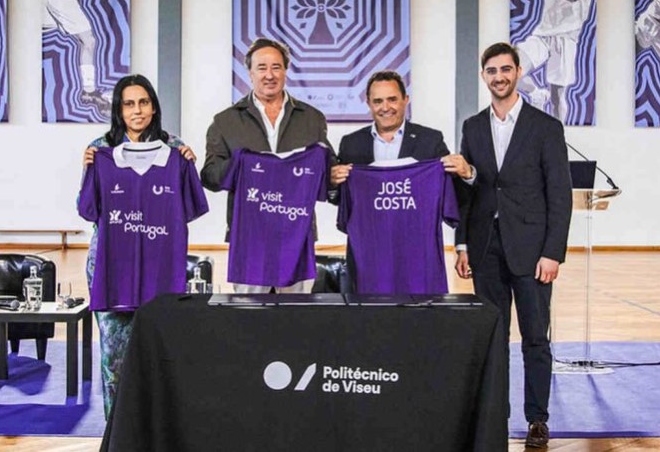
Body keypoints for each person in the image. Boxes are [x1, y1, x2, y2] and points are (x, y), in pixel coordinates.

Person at [455, 43, 572, 448]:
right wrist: (462, 245)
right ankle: (496, 416)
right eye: (491, 71)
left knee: (536, 338)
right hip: (486, 249)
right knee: (493, 339)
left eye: (506, 69)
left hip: (533, 251)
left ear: (518, 72)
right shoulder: (472, 126)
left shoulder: (545, 127)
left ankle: (537, 419)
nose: (499, 77)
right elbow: (467, 191)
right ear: (483, 76)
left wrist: (553, 252)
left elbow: (560, 195)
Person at [81, 74, 196, 419]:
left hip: (159, 268)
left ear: (154, 107)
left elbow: (187, 210)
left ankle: (156, 428)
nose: (137, 110)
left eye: (143, 102)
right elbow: (87, 209)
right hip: (112, 266)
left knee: (160, 353)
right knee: (114, 358)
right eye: (129, 103)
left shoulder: (175, 149)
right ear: (118, 109)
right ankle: (116, 430)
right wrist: (88, 169)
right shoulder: (100, 149)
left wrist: (188, 166)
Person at [201, 37, 333, 293]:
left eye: (276, 67)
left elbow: (327, 169)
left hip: (297, 237)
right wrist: (240, 165)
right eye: (262, 68)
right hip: (249, 240)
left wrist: (336, 175)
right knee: (251, 315)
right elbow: (209, 177)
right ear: (250, 73)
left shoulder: (312, 119)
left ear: (285, 71)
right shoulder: (225, 121)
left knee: (297, 313)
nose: (269, 75)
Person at [329, 70, 471, 291]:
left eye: (392, 99)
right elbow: (343, 199)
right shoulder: (352, 144)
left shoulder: (430, 141)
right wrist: (333, 183)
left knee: (419, 311)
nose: (385, 107)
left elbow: (453, 196)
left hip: (417, 257)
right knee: (368, 311)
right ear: (368, 104)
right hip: (370, 256)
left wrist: (466, 173)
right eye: (378, 101)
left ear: (406, 99)